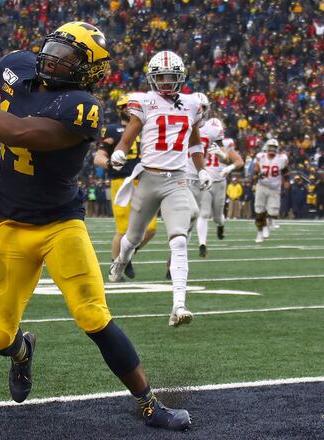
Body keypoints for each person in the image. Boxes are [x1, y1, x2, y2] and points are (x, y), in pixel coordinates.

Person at [0, 19, 190, 431]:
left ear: (87, 70)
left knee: (93, 316)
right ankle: (23, 352)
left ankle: (148, 403)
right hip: (11, 228)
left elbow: (15, 131)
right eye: (53, 47)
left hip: (60, 227)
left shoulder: (81, 105)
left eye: (67, 56)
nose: (53, 59)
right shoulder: (22, 68)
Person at [107, 50, 208, 328]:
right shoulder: (144, 101)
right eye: (161, 76)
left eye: (170, 77)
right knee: (133, 237)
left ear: (181, 77)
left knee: (178, 240)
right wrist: (119, 151)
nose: (165, 81)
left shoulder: (191, 104)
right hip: (148, 178)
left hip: (176, 180)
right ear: (152, 78)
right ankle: (120, 261)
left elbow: (196, 143)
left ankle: (179, 304)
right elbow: (132, 130)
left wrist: (201, 169)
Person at [94, 94, 157, 280]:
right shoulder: (113, 129)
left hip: (143, 180)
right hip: (121, 181)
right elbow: (99, 157)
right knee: (122, 230)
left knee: (151, 228)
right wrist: (110, 164)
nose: (130, 109)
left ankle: (125, 257)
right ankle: (117, 264)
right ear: (120, 109)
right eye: (126, 106)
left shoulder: (145, 129)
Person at [185, 93, 243, 257]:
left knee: (215, 216)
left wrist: (222, 158)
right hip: (192, 178)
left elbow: (229, 158)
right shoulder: (183, 125)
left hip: (213, 181)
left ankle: (220, 225)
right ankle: (201, 245)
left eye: (202, 108)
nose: (199, 111)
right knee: (200, 214)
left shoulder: (216, 135)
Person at [253, 139, 288, 242]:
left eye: (274, 147)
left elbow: (285, 171)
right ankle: (260, 232)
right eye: (270, 147)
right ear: (267, 148)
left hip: (275, 188)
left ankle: (269, 222)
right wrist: (256, 175)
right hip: (262, 186)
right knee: (259, 211)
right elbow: (256, 170)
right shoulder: (260, 157)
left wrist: (286, 181)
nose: (272, 149)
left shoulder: (281, 158)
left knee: (273, 212)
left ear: (277, 149)